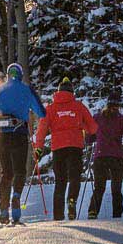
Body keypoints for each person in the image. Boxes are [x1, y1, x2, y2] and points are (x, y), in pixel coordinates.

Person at [0, 63, 46, 225]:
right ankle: (16, 198)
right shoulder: (26, 90)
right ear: (21, 74)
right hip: (19, 135)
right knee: (20, 171)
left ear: (8, 75)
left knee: (6, 173)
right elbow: (42, 113)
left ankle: (3, 211)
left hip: (1, 136)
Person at [33, 77, 97, 220]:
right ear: (71, 92)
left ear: (58, 91)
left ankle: (58, 216)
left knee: (60, 181)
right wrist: (87, 131)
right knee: (74, 177)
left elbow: (42, 129)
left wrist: (38, 148)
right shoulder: (79, 106)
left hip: (58, 148)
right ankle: (72, 200)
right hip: (75, 147)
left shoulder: (50, 108)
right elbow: (92, 127)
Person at [88, 88, 123, 220]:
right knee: (116, 188)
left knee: (99, 187)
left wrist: (91, 139)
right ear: (118, 105)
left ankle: (93, 212)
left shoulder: (97, 118)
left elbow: (89, 137)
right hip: (116, 157)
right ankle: (117, 214)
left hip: (100, 156)